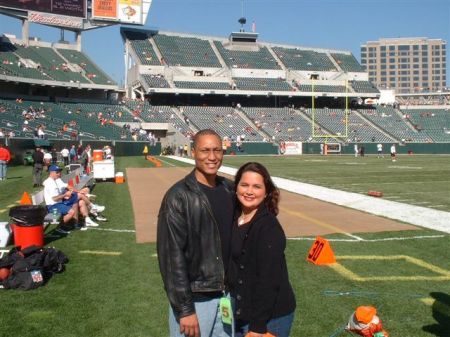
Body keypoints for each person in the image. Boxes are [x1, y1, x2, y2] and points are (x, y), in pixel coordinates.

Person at [157, 129, 234, 337]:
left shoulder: (230, 189)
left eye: (217, 150)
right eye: (205, 150)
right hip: (196, 301)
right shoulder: (178, 197)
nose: (212, 157)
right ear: (193, 152)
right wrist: (185, 310)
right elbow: (172, 258)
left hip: (227, 297)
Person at [229, 162, 296, 337]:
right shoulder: (234, 216)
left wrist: (258, 327)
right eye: (244, 185)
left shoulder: (268, 228)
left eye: (256, 187)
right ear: (236, 187)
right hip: (241, 310)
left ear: (266, 192)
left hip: (269, 318)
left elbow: (269, 280)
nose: (249, 191)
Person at [43, 165, 100, 233]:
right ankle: (60, 227)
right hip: (53, 206)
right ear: (51, 172)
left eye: (60, 172)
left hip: (59, 202)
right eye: (57, 172)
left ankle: (78, 223)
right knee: (72, 210)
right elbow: (54, 199)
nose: (59, 173)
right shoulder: (50, 183)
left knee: (78, 200)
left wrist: (68, 194)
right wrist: (65, 195)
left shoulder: (56, 180)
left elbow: (66, 187)